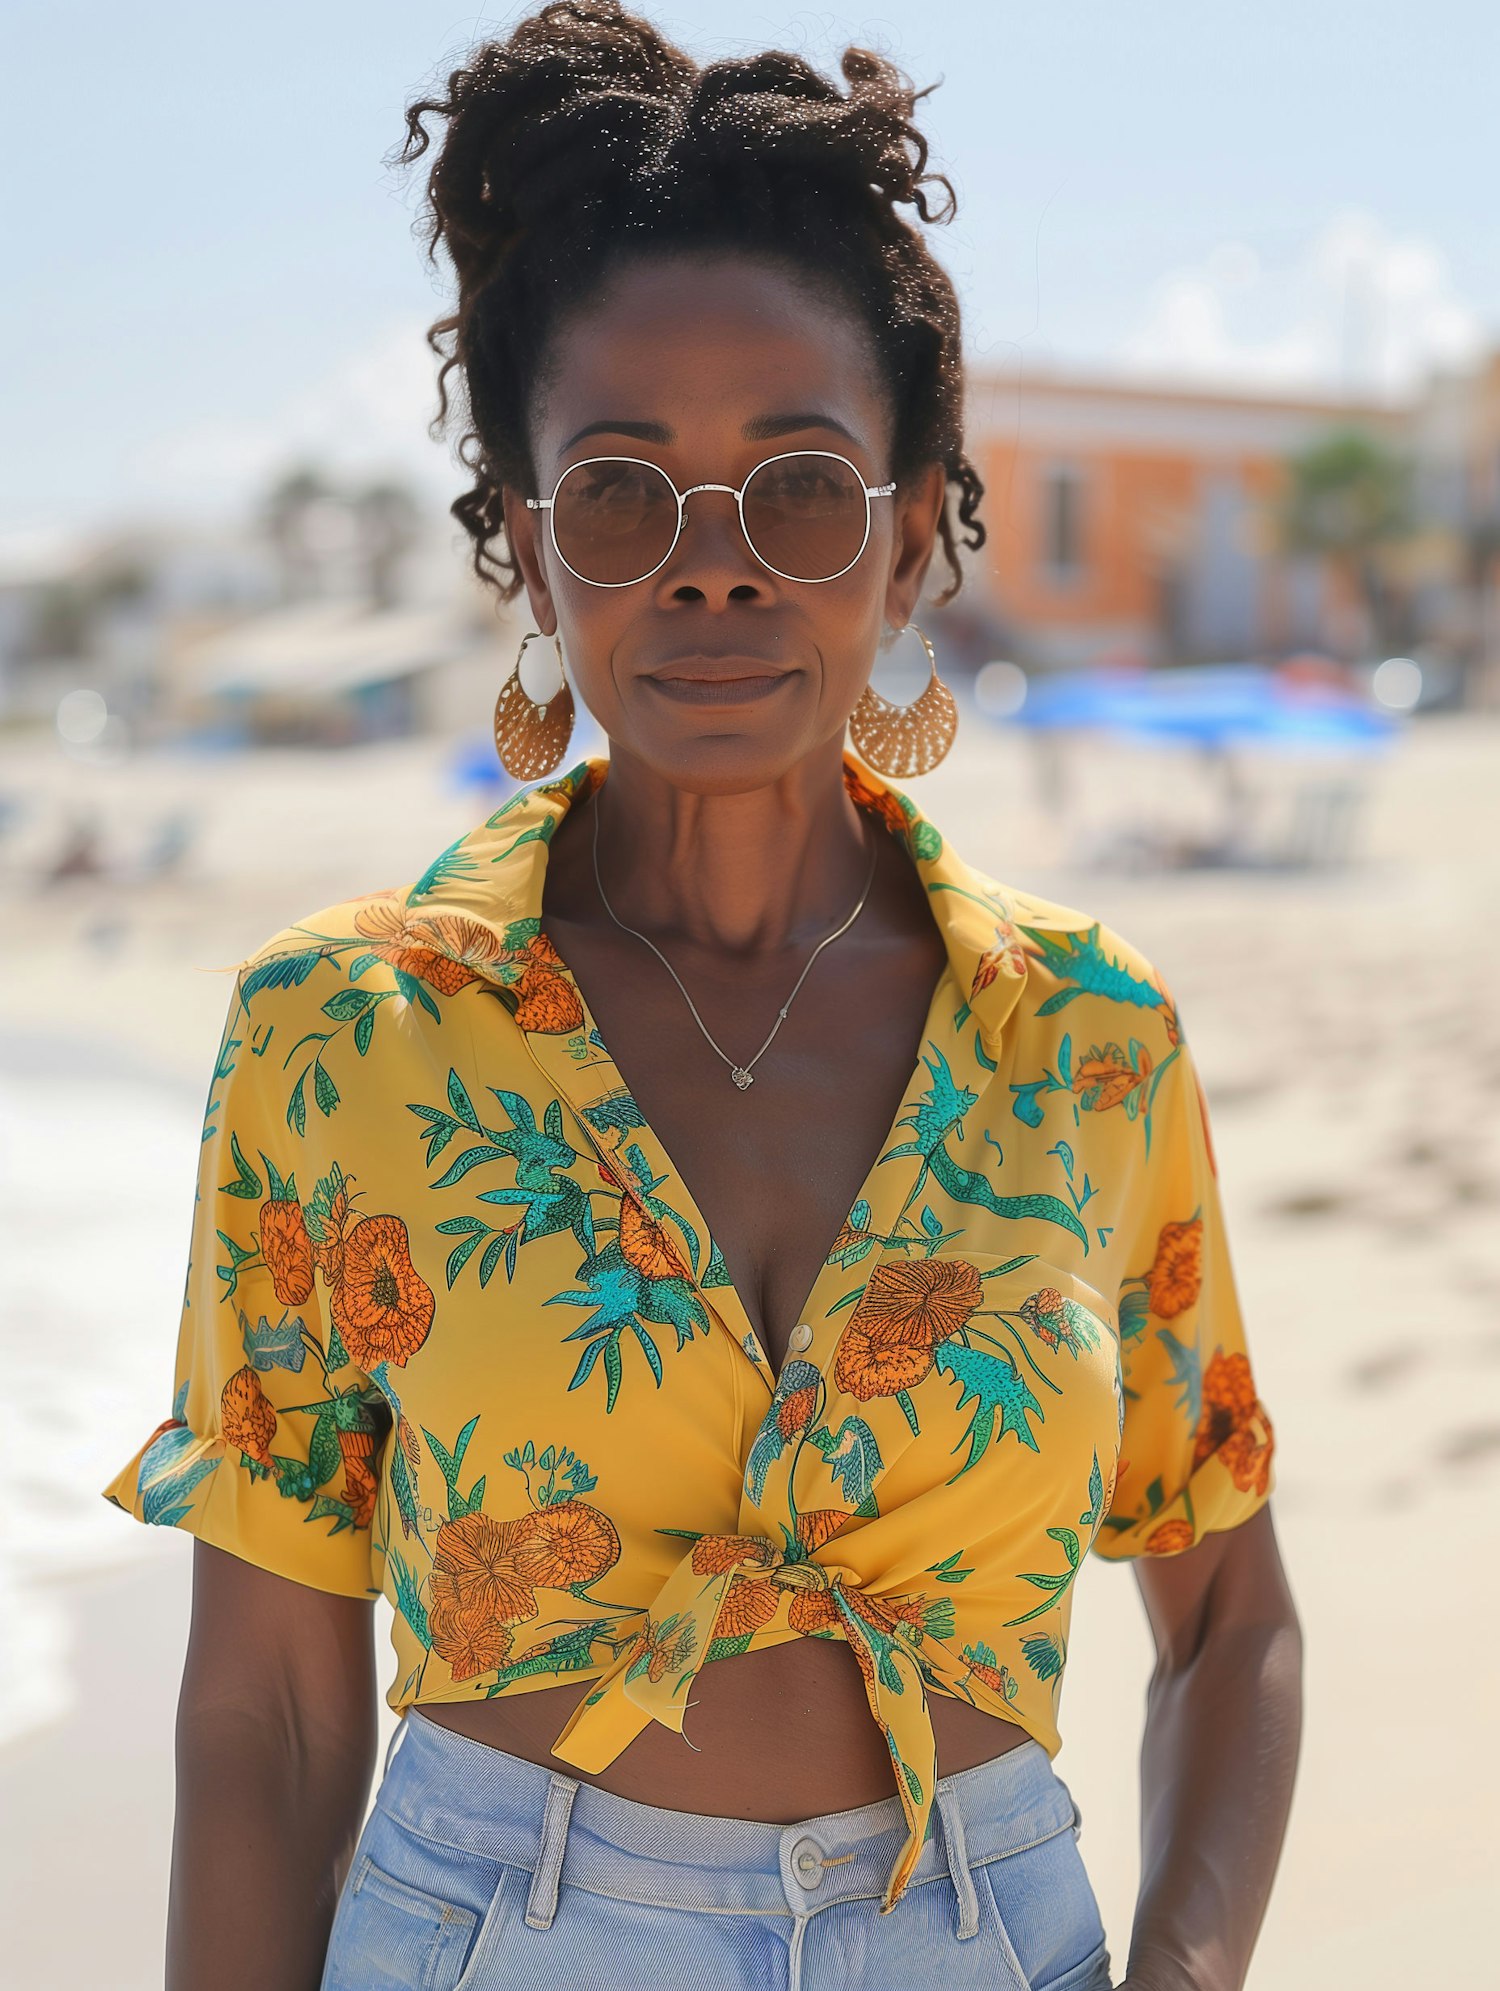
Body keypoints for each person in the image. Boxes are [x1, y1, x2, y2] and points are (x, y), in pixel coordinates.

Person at [102, 6, 1302, 1986]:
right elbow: (269, 1719)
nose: (715, 570)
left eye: (805, 488)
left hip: (990, 1931)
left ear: (915, 539)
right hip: (496, 1933)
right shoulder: (343, 1038)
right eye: (624, 491)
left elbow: (1236, 1624)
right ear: (527, 547)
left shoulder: (1087, 1042)